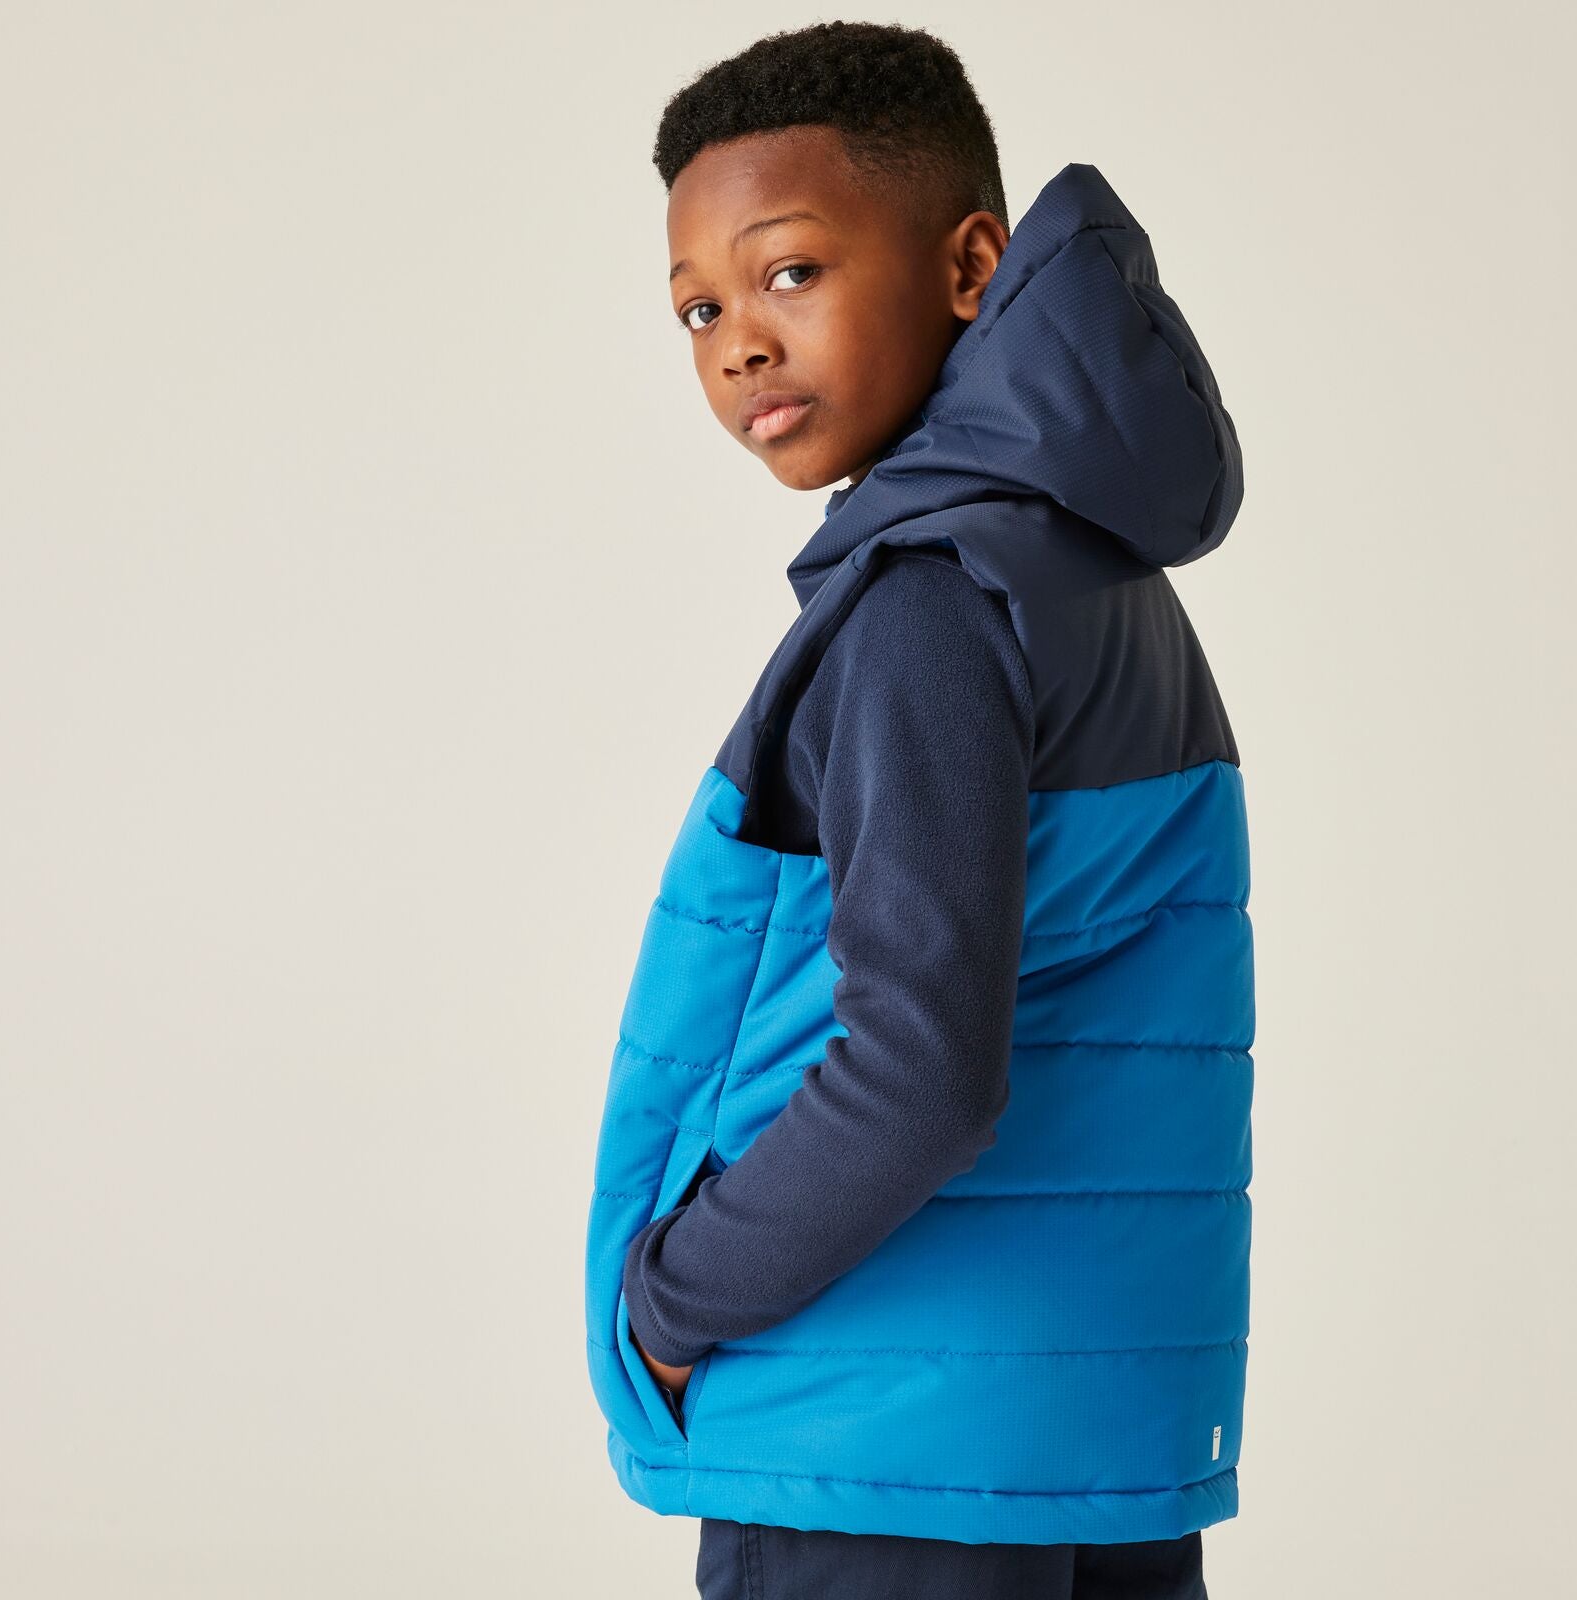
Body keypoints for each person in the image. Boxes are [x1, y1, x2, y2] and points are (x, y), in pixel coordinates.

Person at [583, 21, 1252, 1600]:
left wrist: (671, 1302)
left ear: (971, 265)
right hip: (1092, 1438)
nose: (740, 343)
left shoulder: (926, 606)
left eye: (790, 271)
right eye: (700, 308)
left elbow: (923, 1071)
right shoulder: (1097, 579)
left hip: (879, 1450)